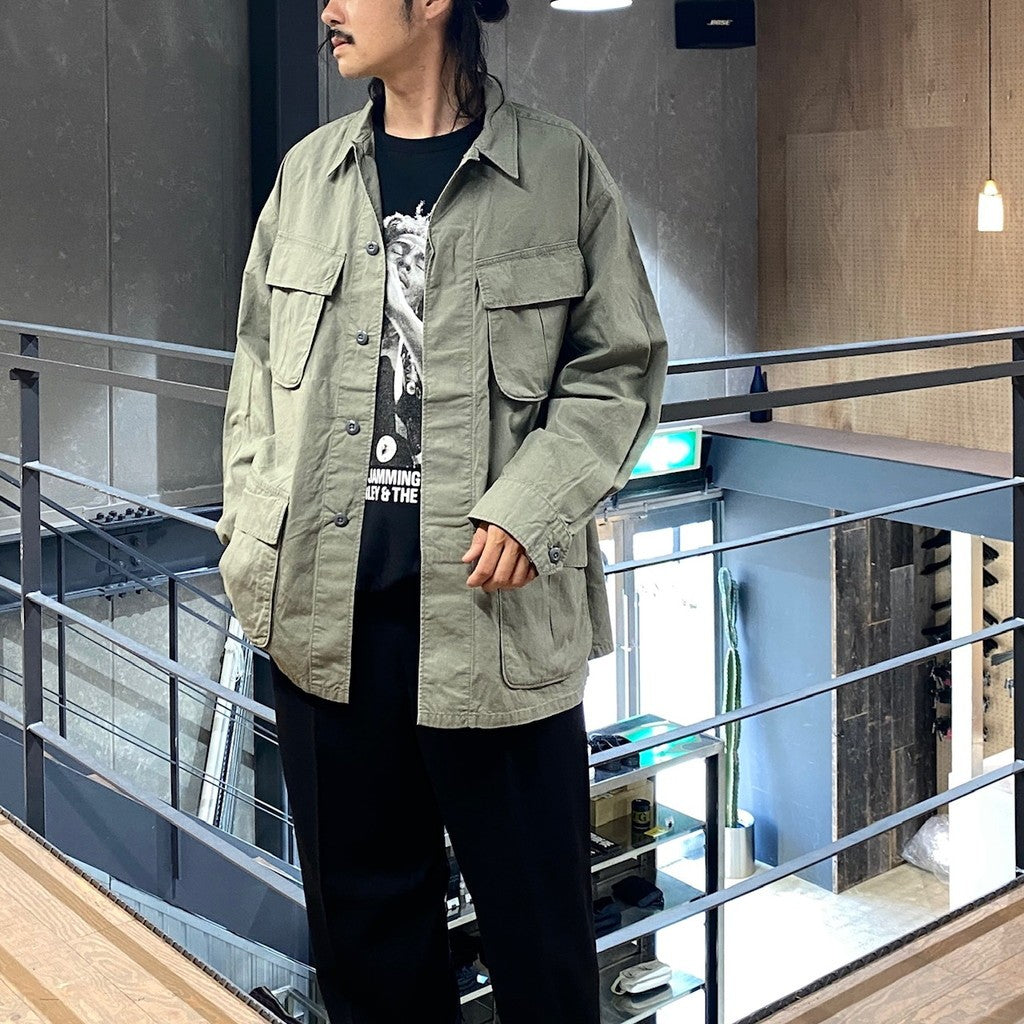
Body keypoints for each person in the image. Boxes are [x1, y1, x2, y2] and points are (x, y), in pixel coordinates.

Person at [215, 0, 669, 1020]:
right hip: (327, 638)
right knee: (368, 963)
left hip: (496, 635)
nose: (327, 8)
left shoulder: (559, 170)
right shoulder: (307, 177)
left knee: (546, 960)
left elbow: (619, 369)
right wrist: (247, 537)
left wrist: (532, 504)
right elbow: (253, 375)